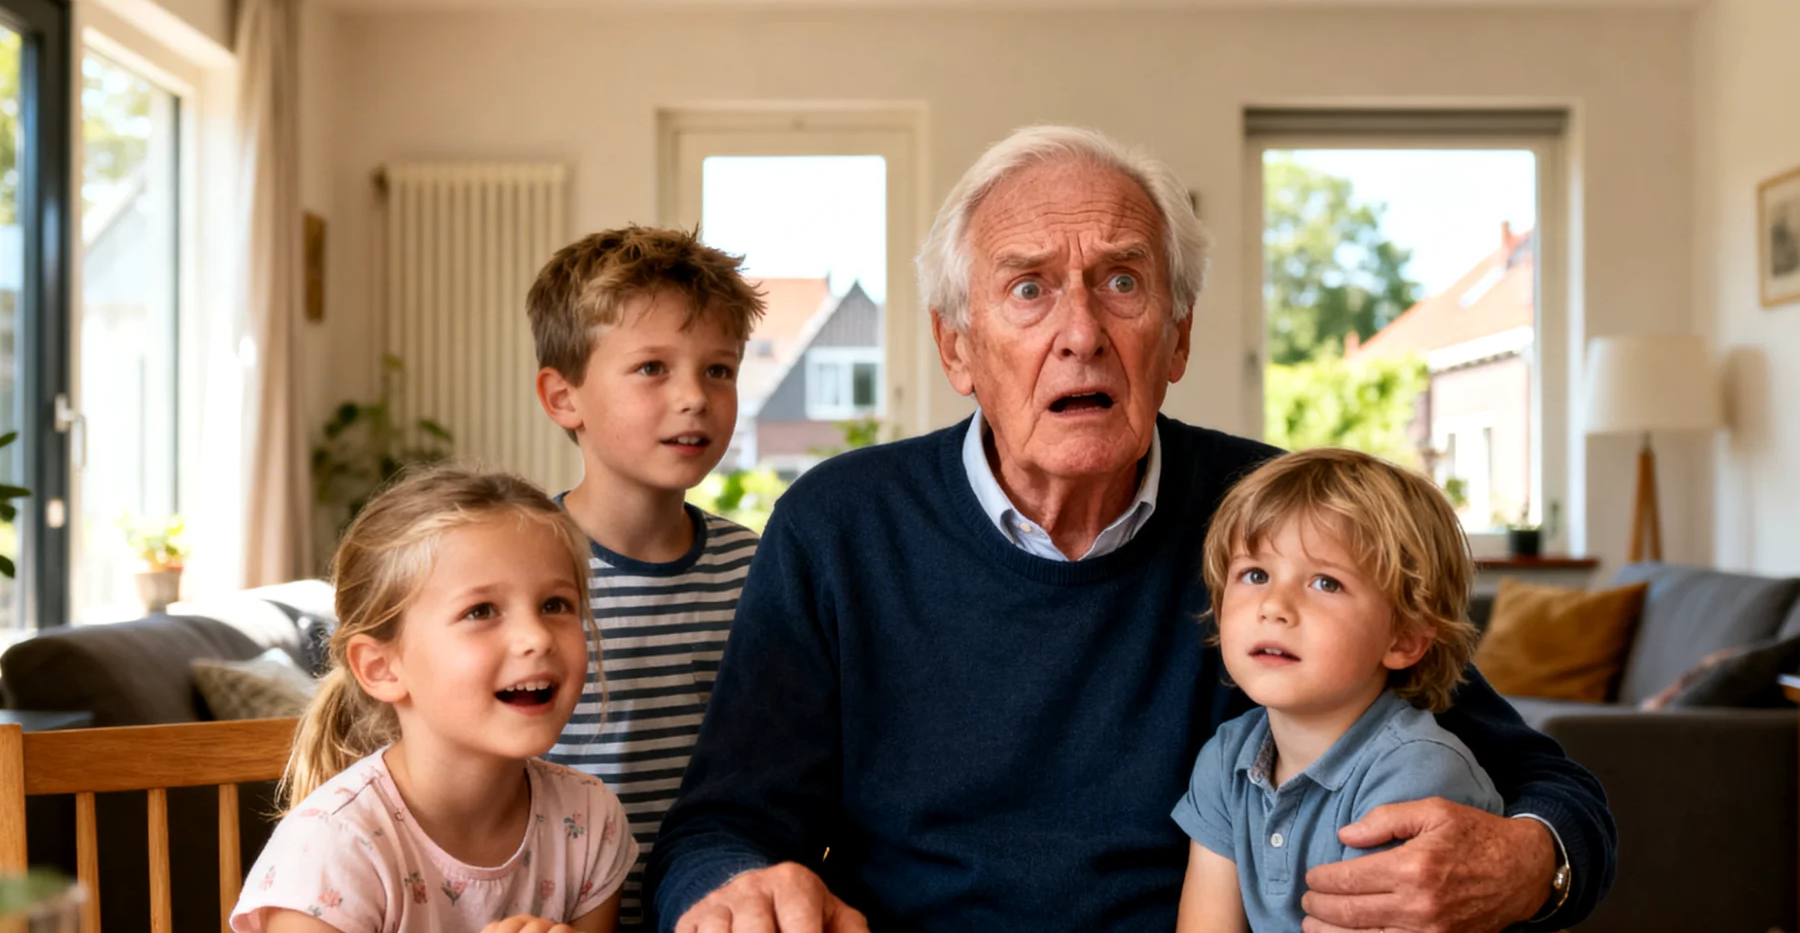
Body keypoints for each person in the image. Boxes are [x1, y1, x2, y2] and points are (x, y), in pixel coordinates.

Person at [647, 126, 1615, 933]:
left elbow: (1551, 789)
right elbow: (717, 831)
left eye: (1121, 283)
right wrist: (735, 892)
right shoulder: (838, 525)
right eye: (1029, 289)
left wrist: (1530, 863)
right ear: (957, 347)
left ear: (1178, 337)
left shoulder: (1279, 525)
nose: (1082, 333)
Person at [231, 466, 637, 933]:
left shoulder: (588, 820)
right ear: (381, 668)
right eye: (480, 611)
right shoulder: (331, 848)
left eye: (555, 604)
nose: (537, 637)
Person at [527, 227, 767, 926]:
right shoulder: (517, 574)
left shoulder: (757, 571)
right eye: (652, 367)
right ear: (563, 397)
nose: (695, 397)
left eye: (718, 370)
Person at [1173, 448, 1504, 933]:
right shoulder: (1227, 759)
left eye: (1325, 583)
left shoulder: (1415, 772)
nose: (1274, 606)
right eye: (1256, 575)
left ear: (1404, 639)